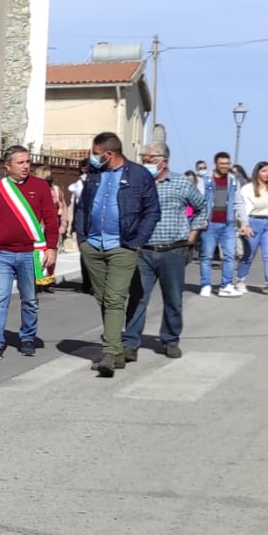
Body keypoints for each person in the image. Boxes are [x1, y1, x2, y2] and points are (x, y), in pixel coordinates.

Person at [75, 132, 160, 377]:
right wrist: (82, 239)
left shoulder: (139, 175)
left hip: (122, 246)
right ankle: (117, 350)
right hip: (93, 245)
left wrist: (138, 240)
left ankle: (110, 353)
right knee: (103, 298)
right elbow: (83, 206)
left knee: (114, 299)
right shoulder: (94, 174)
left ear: (109, 154)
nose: (92, 157)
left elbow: (152, 210)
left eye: (95, 153)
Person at [123, 142, 206, 360]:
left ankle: (170, 339)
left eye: (150, 159)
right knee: (138, 298)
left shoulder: (181, 183)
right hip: (143, 251)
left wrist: (192, 234)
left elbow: (201, 207)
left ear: (164, 161)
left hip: (173, 250)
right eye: (143, 159)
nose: (145, 163)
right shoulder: (138, 183)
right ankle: (130, 342)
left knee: (173, 298)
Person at [0, 145, 60, 358]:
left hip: (30, 253)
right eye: (20, 162)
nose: (25, 166)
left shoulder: (40, 186)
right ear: (7, 166)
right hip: (1, 254)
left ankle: (28, 337)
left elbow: (51, 219)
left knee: (29, 299)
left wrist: (52, 247)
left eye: (27, 162)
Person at [196, 151, 244, 298]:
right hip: (209, 224)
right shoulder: (205, 181)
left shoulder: (233, 181)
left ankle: (226, 285)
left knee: (230, 256)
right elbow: (198, 201)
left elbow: (238, 202)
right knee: (207, 256)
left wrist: (244, 222)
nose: (225, 166)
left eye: (227, 163)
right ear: (215, 164)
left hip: (228, 224)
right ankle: (205, 285)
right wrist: (200, 220)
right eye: (222, 163)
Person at [239, 162, 268, 294]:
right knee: (249, 254)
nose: (267, 174)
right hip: (253, 222)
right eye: (264, 171)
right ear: (257, 172)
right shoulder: (248, 188)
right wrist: (244, 224)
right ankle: (241, 280)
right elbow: (241, 207)